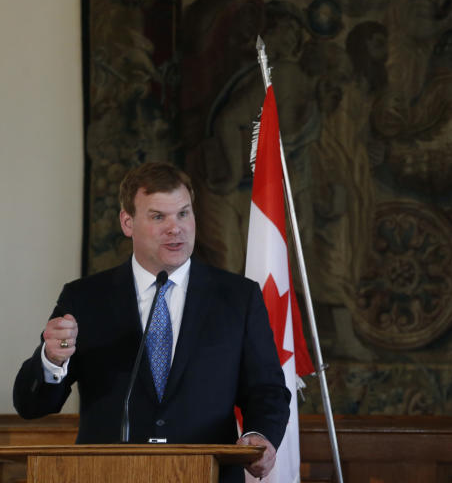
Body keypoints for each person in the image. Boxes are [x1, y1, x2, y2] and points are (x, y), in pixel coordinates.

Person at [13, 162, 290, 483]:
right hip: (108, 476)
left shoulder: (237, 297)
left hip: (208, 475)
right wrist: (52, 360)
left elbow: (266, 389)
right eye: (159, 217)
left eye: (184, 214)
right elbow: (31, 405)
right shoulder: (85, 298)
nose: (176, 228)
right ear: (127, 222)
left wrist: (259, 436)